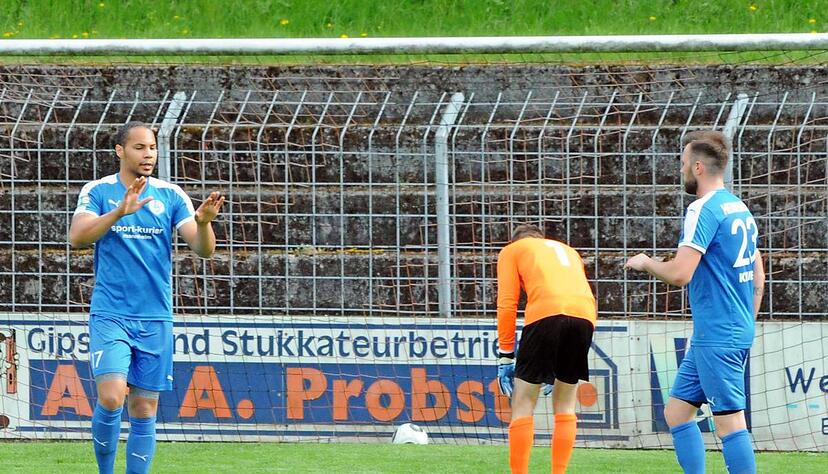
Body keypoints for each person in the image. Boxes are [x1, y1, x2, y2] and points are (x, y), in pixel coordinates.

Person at [69, 121, 224, 474]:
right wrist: (119, 212)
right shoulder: (99, 191)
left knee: (143, 409)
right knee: (111, 397)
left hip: (155, 318)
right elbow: (77, 237)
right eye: (139, 147)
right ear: (120, 151)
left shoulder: (170, 195)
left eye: (152, 147)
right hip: (111, 313)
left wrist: (203, 223)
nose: (148, 154)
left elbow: (204, 251)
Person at [625, 130, 765, 474]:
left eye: (684, 163)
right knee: (677, 412)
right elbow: (759, 271)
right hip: (725, 330)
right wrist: (744, 319)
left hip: (718, 334)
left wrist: (645, 262)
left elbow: (680, 274)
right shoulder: (737, 206)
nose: (682, 170)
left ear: (699, 167)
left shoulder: (702, 209)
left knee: (730, 423)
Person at [496, 224, 597, 474]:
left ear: (514, 241)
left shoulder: (512, 251)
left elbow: (507, 304)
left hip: (546, 314)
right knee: (565, 403)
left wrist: (506, 354)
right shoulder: (569, 251)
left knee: (522, 401)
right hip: (584, 318)